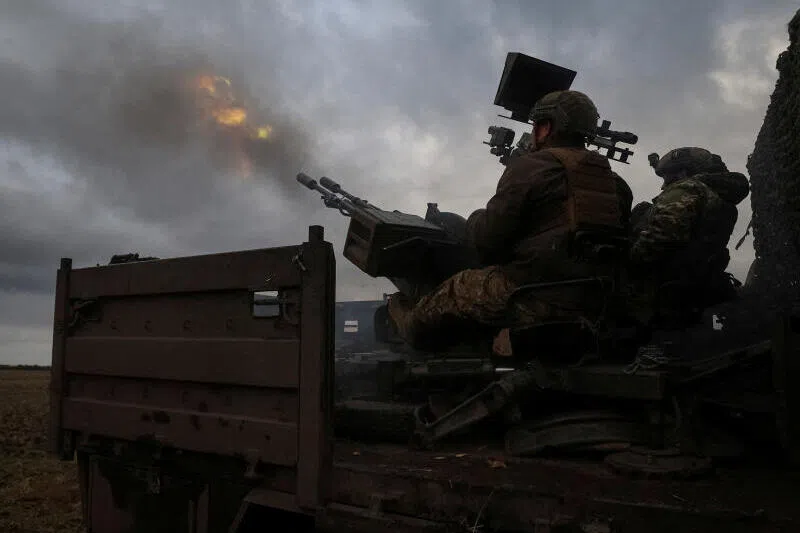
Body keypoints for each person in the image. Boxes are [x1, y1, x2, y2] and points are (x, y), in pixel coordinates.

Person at [387, 90, 634, 350]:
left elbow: (486, 243)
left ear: (545, 128)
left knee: (453, 291)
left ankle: (410, 326)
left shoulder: (531, 167)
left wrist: (474, 219)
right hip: (597, 300)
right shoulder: (616, 184)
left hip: (535, 297)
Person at [628, 147, 750, 326]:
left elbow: (660, 239)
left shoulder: (688, 189)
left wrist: (627, 260)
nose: (663, 185)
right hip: (698, 287)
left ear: (683, 172)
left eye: (666, 177)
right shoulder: (717, 196)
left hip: (666, 293)